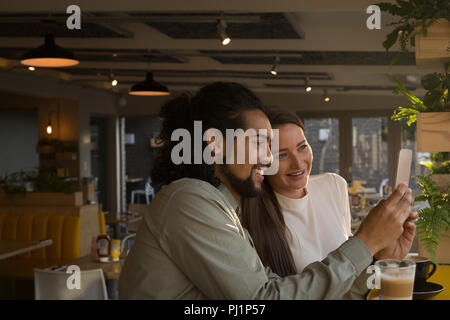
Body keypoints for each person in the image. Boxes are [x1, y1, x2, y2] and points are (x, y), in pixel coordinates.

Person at [119, 82, 415, 299]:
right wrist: (365, 242)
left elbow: (285, 293)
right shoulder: (188, 200)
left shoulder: (223, 209)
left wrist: (377, 255)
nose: (268, 158)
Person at [241, 106, 417, 299]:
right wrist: (369, 241)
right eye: (282, 154)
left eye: (302, 147)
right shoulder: (250, 215)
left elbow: (350, 285)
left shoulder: (334, 185)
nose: (298, 163)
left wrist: (382, 257)